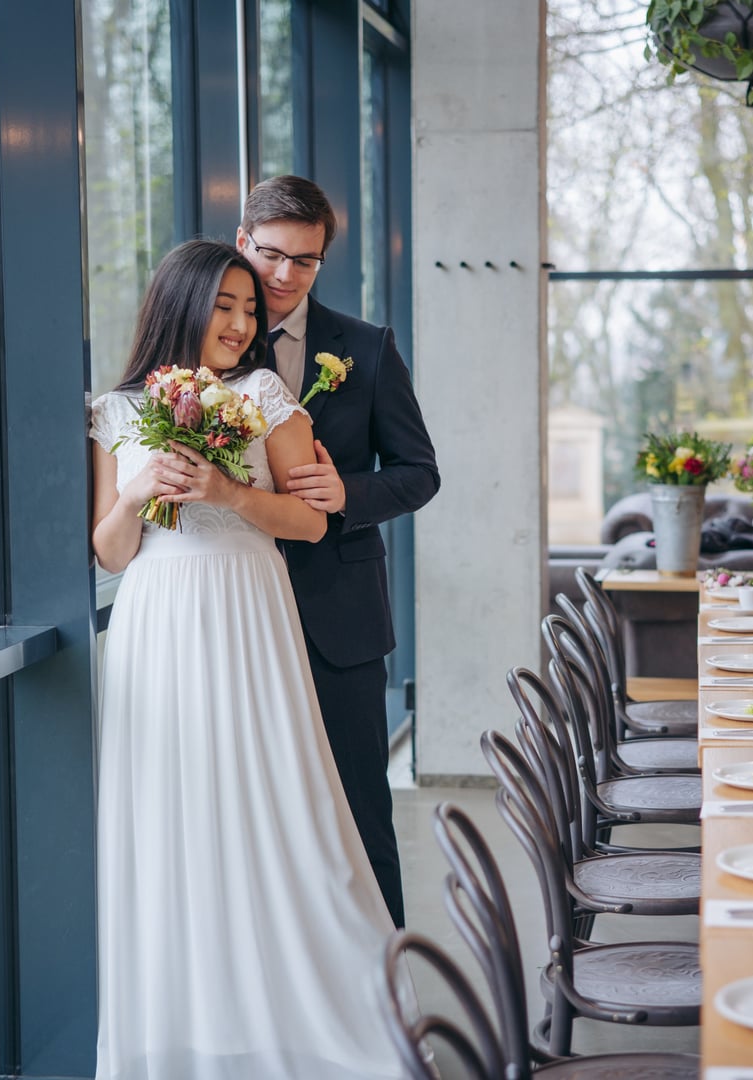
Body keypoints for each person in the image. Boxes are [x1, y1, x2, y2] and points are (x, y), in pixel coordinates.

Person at [89, 239, 403, 1079]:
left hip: (251, 612)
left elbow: (308, 523)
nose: (239, 323)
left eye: (248, 310)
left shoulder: (266, 395)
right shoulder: (114, 412)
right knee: (170, 817)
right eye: (223, 307)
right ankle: (187, 1026)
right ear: (179, 307)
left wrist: (228, 491)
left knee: (277, 800)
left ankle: (314, 1010)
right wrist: (132, 490)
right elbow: (111, 554)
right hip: (157, 624)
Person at [237, 176, 440, 928]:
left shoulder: (367, 348)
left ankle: (388, 993)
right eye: (272, 255)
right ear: (242, 244)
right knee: (251, 818)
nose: (285, 276)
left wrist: (346, 493)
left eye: (306, 261)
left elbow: (421, 474)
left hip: (340, 622)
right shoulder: (198, 353)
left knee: (359, 813)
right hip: (230, 618)